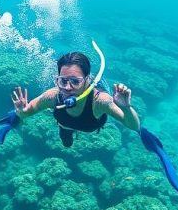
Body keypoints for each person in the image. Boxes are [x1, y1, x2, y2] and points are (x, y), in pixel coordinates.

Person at [10, 51, 140, 147]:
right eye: (63, 80)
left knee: (102, 87)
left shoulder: (100, 101)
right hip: (65, 126)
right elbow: (26, 112)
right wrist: (22, 112)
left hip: (93, 123)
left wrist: (125, 107)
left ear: (87, 80)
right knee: (66, 143)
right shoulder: (52, 97)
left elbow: (134, 126)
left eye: (75, 81)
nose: (67, 88)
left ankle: (95, 81)